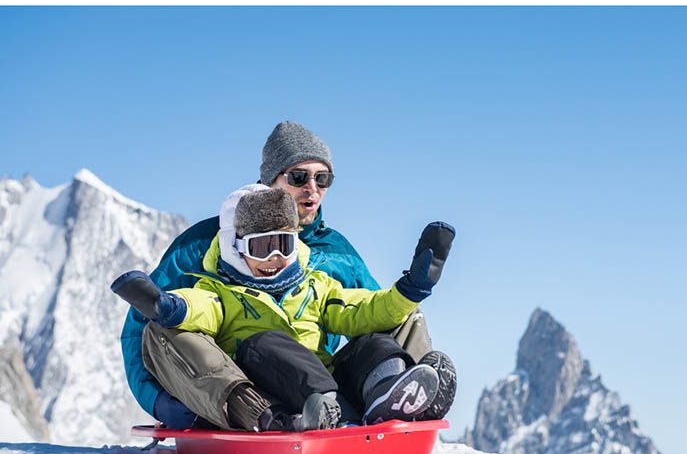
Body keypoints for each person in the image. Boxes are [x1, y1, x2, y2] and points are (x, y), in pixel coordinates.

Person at [119, 121, 456, 429]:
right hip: (249, 381)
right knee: (166, 327)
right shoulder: (205, 246)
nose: (312, 188)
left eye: (322, 179)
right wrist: (158, 402)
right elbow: (151, 325)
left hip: (322, 378)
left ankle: (402, 401)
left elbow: (368, 311)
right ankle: (277, 414)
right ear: (270, 181)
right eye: (299, 177)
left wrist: (411, 289)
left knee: (403, 314)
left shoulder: (333, 252)